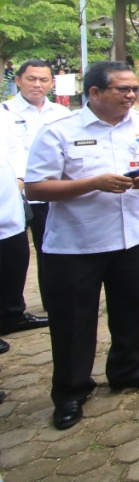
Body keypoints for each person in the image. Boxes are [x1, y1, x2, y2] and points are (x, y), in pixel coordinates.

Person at [26, 61, 139, 431]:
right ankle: (71, 391)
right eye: (122, 89)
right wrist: (94, 183)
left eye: (135, 89)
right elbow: (35, 188)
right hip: (77, 243)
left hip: (136, 237)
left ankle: (128, 369)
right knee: (73, 321)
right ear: (94, 93)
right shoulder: (58, 132)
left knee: (134, 308)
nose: (132, 95)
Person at [1, 59, 70, 328]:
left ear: (52, 84)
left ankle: (53, 304)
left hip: (49, 195)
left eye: (43, 80)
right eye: (31, 79)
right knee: (14, 255)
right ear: (17, 80)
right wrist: (18, 180)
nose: (37, 85)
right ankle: (10, 309)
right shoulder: (5, 112)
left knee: (50, 251)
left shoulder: (61, 113)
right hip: (15, 196)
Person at [0, 115, 28, 356]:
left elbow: (14, 149)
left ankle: (12, 315)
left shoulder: (2, 115)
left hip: (8, 204)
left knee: (14, 262)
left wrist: (19, 178)